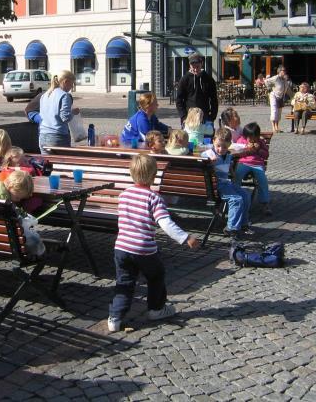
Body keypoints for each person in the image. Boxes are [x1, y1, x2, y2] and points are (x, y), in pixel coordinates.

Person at [107, 154, 200, 332]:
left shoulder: (124, 195)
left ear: (131, 173)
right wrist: (185, 237)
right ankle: (156, 309)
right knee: (156, 275)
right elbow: (165, 223)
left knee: (124, 282)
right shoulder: (153, 198)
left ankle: (115, 317)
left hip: (121, 247)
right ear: (154, 175)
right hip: (144, 248)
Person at [0, 170, 45, 256]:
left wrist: (22, 214)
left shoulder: (0, 187)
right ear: (11, 186)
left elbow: (12, 208)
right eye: (17, 197)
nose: (19, 200)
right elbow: (9, 216)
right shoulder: (2, 197)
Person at [201, 128, 252, 238]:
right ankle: (231, 228)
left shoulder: (228, 155)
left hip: (226, 183)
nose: (220, 149)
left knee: (245, 195)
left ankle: (243, 223)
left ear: (229, 144)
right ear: (213, 141)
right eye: (218, 146)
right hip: (215, 186)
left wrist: (232, 171)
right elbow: (204, 155)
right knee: (236, 199)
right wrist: (210, 161)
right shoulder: (210, 153)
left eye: (224, 147)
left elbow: (228, 168)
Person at [233, 122, 272, 216]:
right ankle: (235, 197)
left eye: (253, 137)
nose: (251, 139)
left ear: (257, 136)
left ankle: (265, 203)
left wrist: (259, 150)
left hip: (257, 164)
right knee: (237, 175)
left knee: (263, 180)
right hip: (243, 162)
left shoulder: (261, 142)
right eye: (249, 137)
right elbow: (236, 152)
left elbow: (266, 155)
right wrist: (246, 149)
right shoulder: (242, 140)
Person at [38, 70, 80, 153]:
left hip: (42, 136)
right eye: (72, 84)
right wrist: (73, 112)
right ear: (65, 82)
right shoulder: (64, 95)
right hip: (58, 136)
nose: (72, 87)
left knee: (47, 164)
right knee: (62, 165)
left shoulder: (45, 95)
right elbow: (65, 117)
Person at [175, 52, 218, 126]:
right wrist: (183, 117)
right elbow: (179, 100)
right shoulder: (184, 80)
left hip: (205, 117)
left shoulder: (209, 79)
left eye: (197, 67)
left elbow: (214, 100)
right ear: (190, 65)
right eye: (193, 67)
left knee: (207, 137)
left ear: (202, 64)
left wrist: (212, 117)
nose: (195, 69)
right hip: (189, 117)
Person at [264, 66, 294, 133]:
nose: (284, 71)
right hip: (274, 95)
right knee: (274, 111)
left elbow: (288, 90)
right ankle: (273, 127)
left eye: (285, 70)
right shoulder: (276, 78)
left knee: (279, 113)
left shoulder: (284, 80)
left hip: (281, 97)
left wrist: (293, 96)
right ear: (279, 71)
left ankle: (277, 127)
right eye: (283, 70)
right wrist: (270, 88)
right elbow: (266, 81)